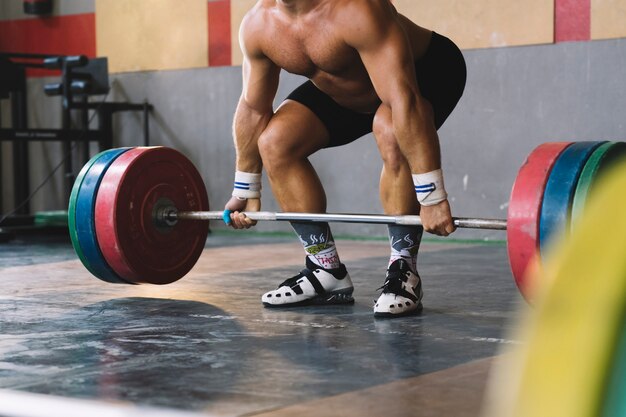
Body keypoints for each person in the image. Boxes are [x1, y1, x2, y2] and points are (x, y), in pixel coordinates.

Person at [223, 0, 466, 317]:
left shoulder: (357, 10)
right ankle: (326, 272)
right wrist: (245, 189)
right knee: (275, 142)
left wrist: (431, 195)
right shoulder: (258, 25)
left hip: (424, 73)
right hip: (344, 90)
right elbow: (254, 109)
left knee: (391, 129)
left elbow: (403, 99)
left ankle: (404, 269)